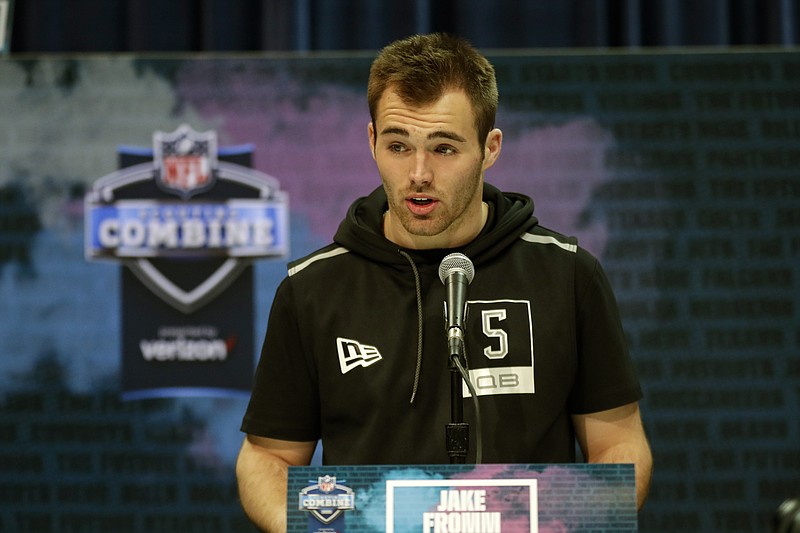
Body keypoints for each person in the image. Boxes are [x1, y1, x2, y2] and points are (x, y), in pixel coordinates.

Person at [236, 32, 652, 532]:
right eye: (397, 145)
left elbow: (619, 446)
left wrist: (574, 521)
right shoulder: (313, 290)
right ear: (371, 142)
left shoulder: (567, 275)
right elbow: (266, 459)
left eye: (444, 148)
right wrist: (329, 527)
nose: (418, 173)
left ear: (489, 148)